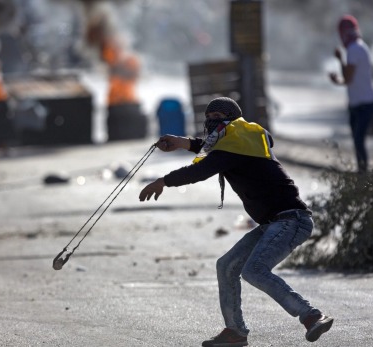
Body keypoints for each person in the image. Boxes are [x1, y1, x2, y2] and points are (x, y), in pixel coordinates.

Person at [139, 97, 333, 346]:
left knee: (254, 271)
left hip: (291, 220)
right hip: (272, 223)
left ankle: (311, 316)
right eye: (209, 117)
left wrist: (163, 181)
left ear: (231, 119)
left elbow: (200, 169)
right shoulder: (241, 139)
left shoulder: (234, 144)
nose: (212, 121)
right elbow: (210, 147)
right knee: (227, 266)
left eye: (218, 117)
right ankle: (235, 332)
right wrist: (181, 142)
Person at [329, 14, 373, 173]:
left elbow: (347, 78)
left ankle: (363, 173)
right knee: (358, 141)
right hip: (358, 103)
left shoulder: (353, 50)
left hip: (365, 103)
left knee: (359, 140)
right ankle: (362, 171)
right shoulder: (360, 46)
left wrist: (338, 66)